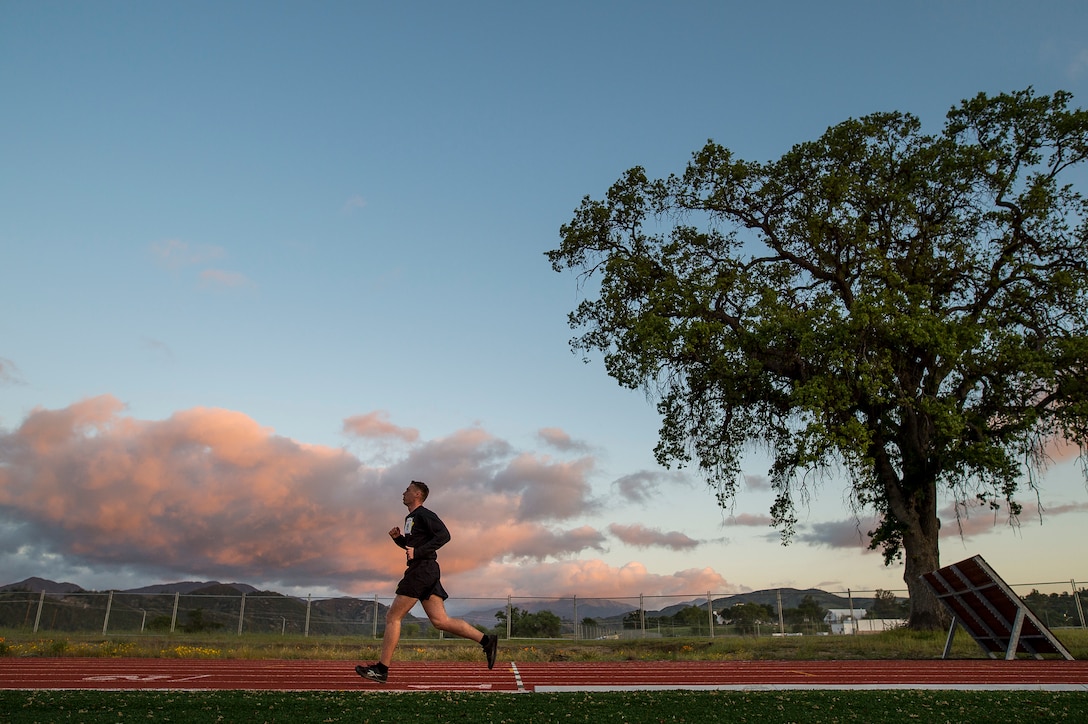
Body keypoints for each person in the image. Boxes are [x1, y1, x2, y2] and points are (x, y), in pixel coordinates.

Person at [356, 480, 498, 683]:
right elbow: (412, 547)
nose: (403, 492)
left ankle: (381, 669)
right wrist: (399, 539)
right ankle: (486, 640)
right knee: (441, 621)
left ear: (417, 495)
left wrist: (420, 551)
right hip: (425, 570)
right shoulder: (410, 518)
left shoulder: (424, 514)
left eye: (407, 490)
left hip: (422, 571)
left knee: (392, 617)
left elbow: (445, 536)